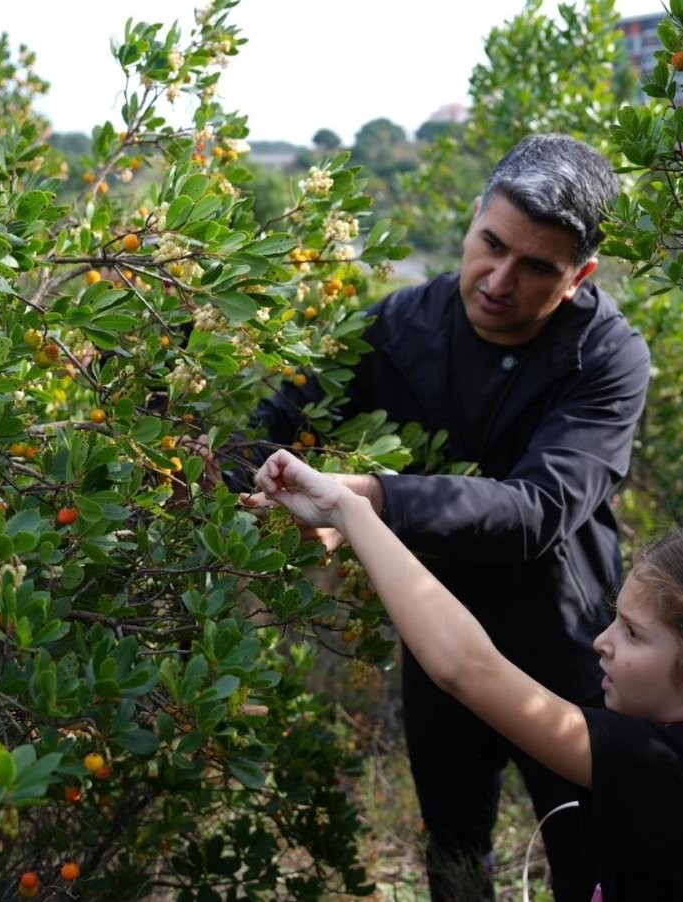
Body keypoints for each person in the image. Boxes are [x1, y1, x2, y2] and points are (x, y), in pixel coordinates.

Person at [252, 134, 651, 899]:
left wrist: (367, 498)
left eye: (537, 267)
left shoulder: (607, 357)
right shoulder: (398, 324)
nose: (500, 280)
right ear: (472, 221)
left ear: (580, 277)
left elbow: (537, 510)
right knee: (456, 861)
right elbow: (274, 424)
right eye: (491, 245)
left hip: (567, 649)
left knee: (592, 861)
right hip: (437, 639)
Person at [247, 450, 683, 901]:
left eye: (634, 635)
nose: (602, 643)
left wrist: (350, 511)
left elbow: (465, 667)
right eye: (615, 620)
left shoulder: (665, 766)